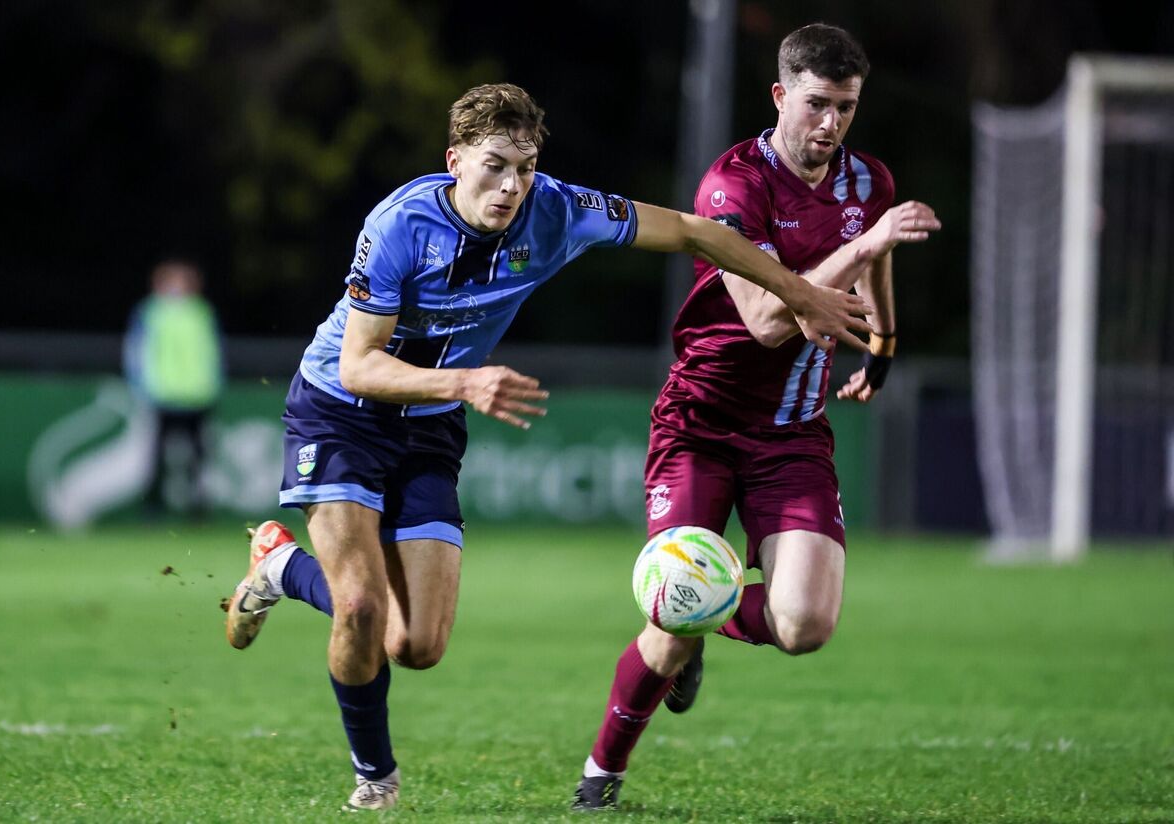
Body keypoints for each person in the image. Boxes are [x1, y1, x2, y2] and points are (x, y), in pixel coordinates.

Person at [221, 82, 932, 813]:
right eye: (494, 165)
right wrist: (466, 382)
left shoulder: (559, 210)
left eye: (524, 167)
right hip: (342, 413)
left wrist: (801, 293)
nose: (510, 186)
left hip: (430, 421)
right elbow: (358, 365)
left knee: (417, 645)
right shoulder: (400, 224)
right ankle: (375, 781)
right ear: (455, 159)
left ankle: (278, 564)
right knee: (363, 609)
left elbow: (698, 232)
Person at [570, 24, 941, 810]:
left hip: (793, 432)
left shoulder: (865, 180)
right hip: (700, 422)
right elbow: (769, 322)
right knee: (668, 623)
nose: (831, 124)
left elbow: (874, 260)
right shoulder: (729, 188)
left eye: (845, 107)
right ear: (781, 96)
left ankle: (706, 613)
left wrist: (883, 338)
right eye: (817, 104)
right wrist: (867, 242)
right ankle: (601, 776)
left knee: (805, 624)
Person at [123, 258, 223, 519]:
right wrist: (142, 386)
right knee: (157, 457)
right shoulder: (150, 312)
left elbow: (211, 351)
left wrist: (212, 385)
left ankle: (197, 510)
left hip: (197, 395)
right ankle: (152, 509)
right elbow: (135, 352)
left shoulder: (201, 311)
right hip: (163, 395)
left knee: (198, 458)